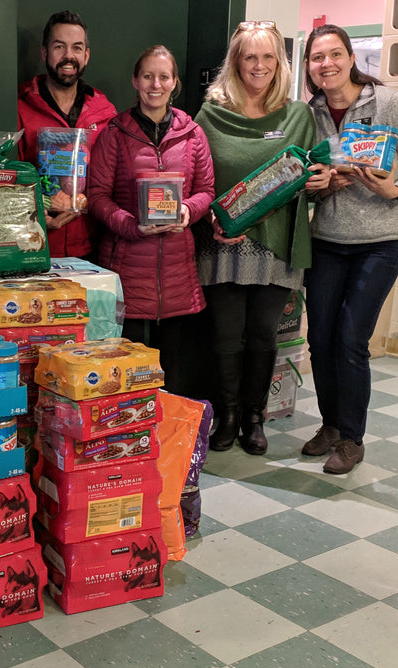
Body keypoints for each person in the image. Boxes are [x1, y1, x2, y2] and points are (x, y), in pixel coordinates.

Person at [302, 23, 398, 474]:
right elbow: (307, 178)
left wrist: (395, 191)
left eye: (335, 54)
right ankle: (331, 425)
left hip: (381, 240)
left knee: (350, 339)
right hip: (328, 240)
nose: (328, 64)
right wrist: (321, 185)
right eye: (318, 57)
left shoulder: (390, 103)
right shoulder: (309, 114)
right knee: (319, 338)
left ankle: (353, 439)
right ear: (309, 65)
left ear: (351, 58)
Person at [194, 22, 330, 454]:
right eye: (250, 56)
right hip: (224, 244)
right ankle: (227, 416)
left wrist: (322, 178)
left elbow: (314, 174)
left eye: (268, 56)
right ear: (235, 61)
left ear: (280, 62)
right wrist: (209, 220)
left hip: (276, 244)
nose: (259, 65)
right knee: (224, 337)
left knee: (262, 337)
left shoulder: (299, 116)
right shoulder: (210, 113)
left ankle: (255, 418)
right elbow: (196, 177)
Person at [86, 45, 215, 396]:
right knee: (125, 374)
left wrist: (188, 211)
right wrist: (131, 224)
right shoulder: (115, 133)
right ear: (135, 81)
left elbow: (206, 190)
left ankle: (167, 442)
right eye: (147, 76)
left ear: (175, 83)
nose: (155, 84)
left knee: (170, 373)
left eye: (163, 77)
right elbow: (96, 196)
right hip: (127, 270)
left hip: (177, 275)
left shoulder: (193, 134)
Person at [17, 10, 117, 258]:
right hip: (35, 247)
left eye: (76, 47)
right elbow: (7, 182)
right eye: (59, 47)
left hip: (93, 249)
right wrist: (39, 213)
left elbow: (114, 179)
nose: (68, 56)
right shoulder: (19, 106)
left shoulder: (105, 111)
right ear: (44, 53)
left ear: (86, 55)